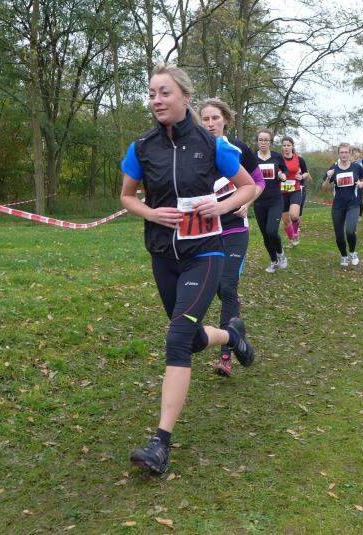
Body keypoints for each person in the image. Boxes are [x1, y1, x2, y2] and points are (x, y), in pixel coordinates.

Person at [120, 64, 257, 474]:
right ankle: (232, 335)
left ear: (184, 97)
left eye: (164, 92)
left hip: (205, 253)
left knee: (177, 340)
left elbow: (249, 186)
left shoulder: (210, 144)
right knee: (192, 339)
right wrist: (151, 213)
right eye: (151, 94)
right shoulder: (142, 147)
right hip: (163, 254)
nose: (156, 100)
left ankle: (160, 444)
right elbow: (127, 196)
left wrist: (222, 205)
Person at [198, 98, 265, 378]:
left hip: (236, 228)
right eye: (205, 119)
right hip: (207, 232)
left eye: (215, 118)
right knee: (220, 288)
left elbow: (258, 182)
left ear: (225, 119)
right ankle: (236, 326)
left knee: (227, 285)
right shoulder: (194, 153)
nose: (210, 123)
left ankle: (225, 357)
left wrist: (247, 202)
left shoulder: (238, 149)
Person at [321, 143, 363, 267]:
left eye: (346, 152)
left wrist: (361, 184)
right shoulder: (333, 168)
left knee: (350, 231)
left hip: (353, 204)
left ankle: (352, 252)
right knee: (339, 235)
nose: (344, 155)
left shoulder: (356, 167)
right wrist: (328, 178)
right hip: (338, 206)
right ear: (338, 154)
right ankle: (344, 256)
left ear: (350, 153)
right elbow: (324, 189)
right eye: (342, 152)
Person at [252, 128, 287, 272]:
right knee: (265, 235)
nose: (263, 142)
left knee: (272, 231)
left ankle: (281, 253)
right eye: (261, 140)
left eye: (266, 140)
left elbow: (285, 170)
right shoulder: (252, 158)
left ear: (271, 142)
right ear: (257, 141)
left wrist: (283, 175)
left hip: (275, 200)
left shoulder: (277, 157)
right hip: (259, 202)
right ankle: (273, 261)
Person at [279, 136, 311, 247]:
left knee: (294, 216)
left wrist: (301, 177)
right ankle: (291, 240)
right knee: (286, 221)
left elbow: (306, 173)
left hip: (295, 190)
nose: (286, 147)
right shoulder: (278, 159)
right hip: (281, 192)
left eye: (288, 145)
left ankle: (296, 232)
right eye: (284, 145)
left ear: (292, 146)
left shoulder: (299, 159)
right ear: (282, 147)